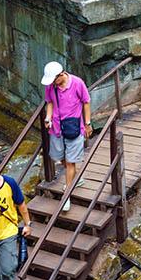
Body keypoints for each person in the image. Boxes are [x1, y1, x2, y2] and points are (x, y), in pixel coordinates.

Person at [41, 61, 92, 212]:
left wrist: (87, 123)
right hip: (57, 127)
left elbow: (86, 102)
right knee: (59, 157)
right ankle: (76, 178)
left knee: (70, 162)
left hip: (73, 127)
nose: (52, 83)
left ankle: (67, 195)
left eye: (54, 80)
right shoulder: (51, 86)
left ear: (61, 75)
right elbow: (49, 102)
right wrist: (48, 118)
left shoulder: (77, 83)